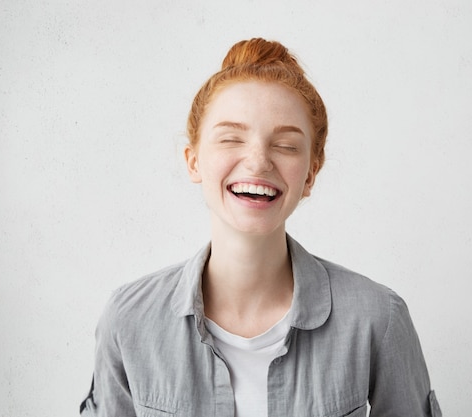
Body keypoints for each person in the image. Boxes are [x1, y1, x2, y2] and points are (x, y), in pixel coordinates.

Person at [80, 38, 442, 417]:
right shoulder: (128, 320)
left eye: (286, 145)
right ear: (193, 161)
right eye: (231, 138)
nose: (257, 162)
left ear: (310, 175)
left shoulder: (379, 318)